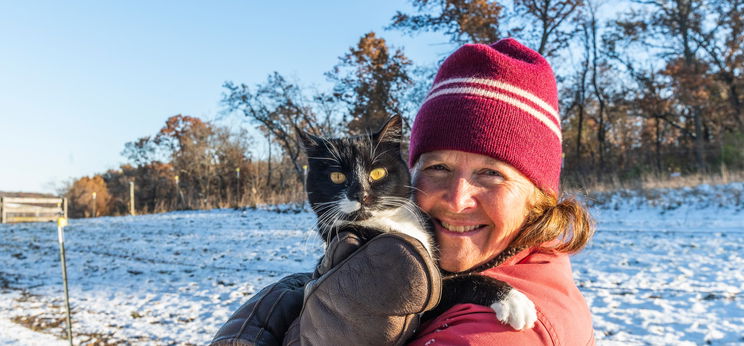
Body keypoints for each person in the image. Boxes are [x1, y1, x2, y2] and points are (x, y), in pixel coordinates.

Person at [211, 38, 595, 345]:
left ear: (539, 193)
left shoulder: (496, 334)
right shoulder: (531, 266)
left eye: (492, 173)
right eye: (438, 168)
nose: (458, 198)